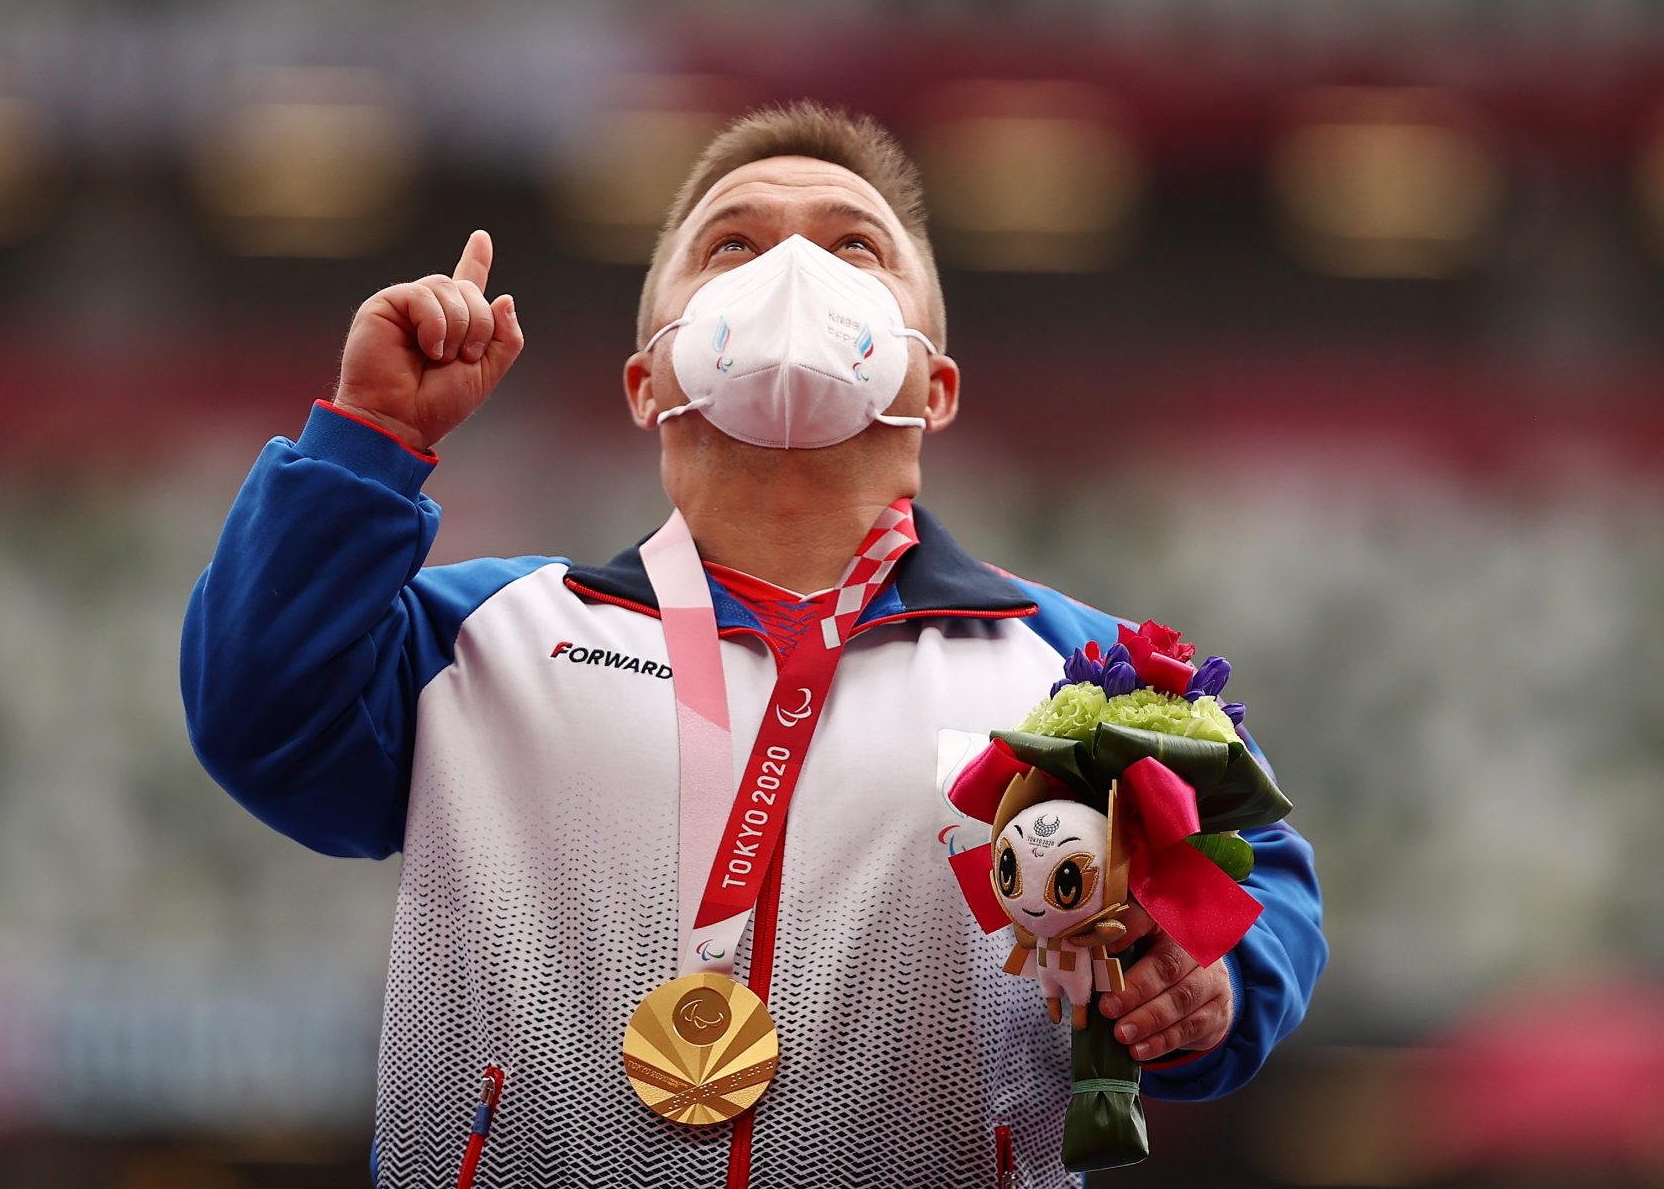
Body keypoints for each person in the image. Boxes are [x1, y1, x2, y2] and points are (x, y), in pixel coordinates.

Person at [181, 101, 1326, 1189]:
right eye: (732, 243)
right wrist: (370, 437)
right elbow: (257, 718)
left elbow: (1258, 882)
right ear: (648, 379)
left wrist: (1214, 984)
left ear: (935, 386)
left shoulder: (1085, 674)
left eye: (854, 246)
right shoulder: (478, 639)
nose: (796, 270)